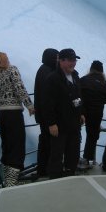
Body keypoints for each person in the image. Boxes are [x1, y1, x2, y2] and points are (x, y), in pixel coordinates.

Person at [0, 52, 34, 186]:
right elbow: (19, 88)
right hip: (13, 113)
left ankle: (8, 177)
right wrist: (29, 105)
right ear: (1, 61)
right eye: (6, 58)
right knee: (17, 145)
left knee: (7, 145)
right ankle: (12, 181)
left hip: (1, 115)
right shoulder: (11, 70)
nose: (8, 60)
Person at [42, 48, 85, 179]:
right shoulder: (53, 79)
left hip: (74, 123)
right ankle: (54, 179)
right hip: (59, 124)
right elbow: (48, 103)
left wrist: (81, 113)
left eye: (75, 60)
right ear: (61, 61)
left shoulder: (75, 76)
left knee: (73, 152)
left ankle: (70, 175)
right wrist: (51, 123)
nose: (74, 63)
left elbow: (78, 96)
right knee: (57, 153)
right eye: (71, 60)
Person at [78, 60, 106, 168]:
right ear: (102, 71)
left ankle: (72, 157)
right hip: (96, 112)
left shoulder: (83, 80)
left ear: (91, 69)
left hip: (82, 110)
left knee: (75, 134)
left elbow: (77, 95)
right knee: (92, 136)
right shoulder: (105, 84)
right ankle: (87, 159)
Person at [34, 48, 59, 177]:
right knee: (47, 144)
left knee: (44, 142)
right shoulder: (48, 72)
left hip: (43, 115)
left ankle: (42, 169)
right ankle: (45, 169)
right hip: (47, 117)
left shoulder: (43, 70)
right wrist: (51, 120)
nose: (58, 60)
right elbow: (47, 97)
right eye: (57, 57)